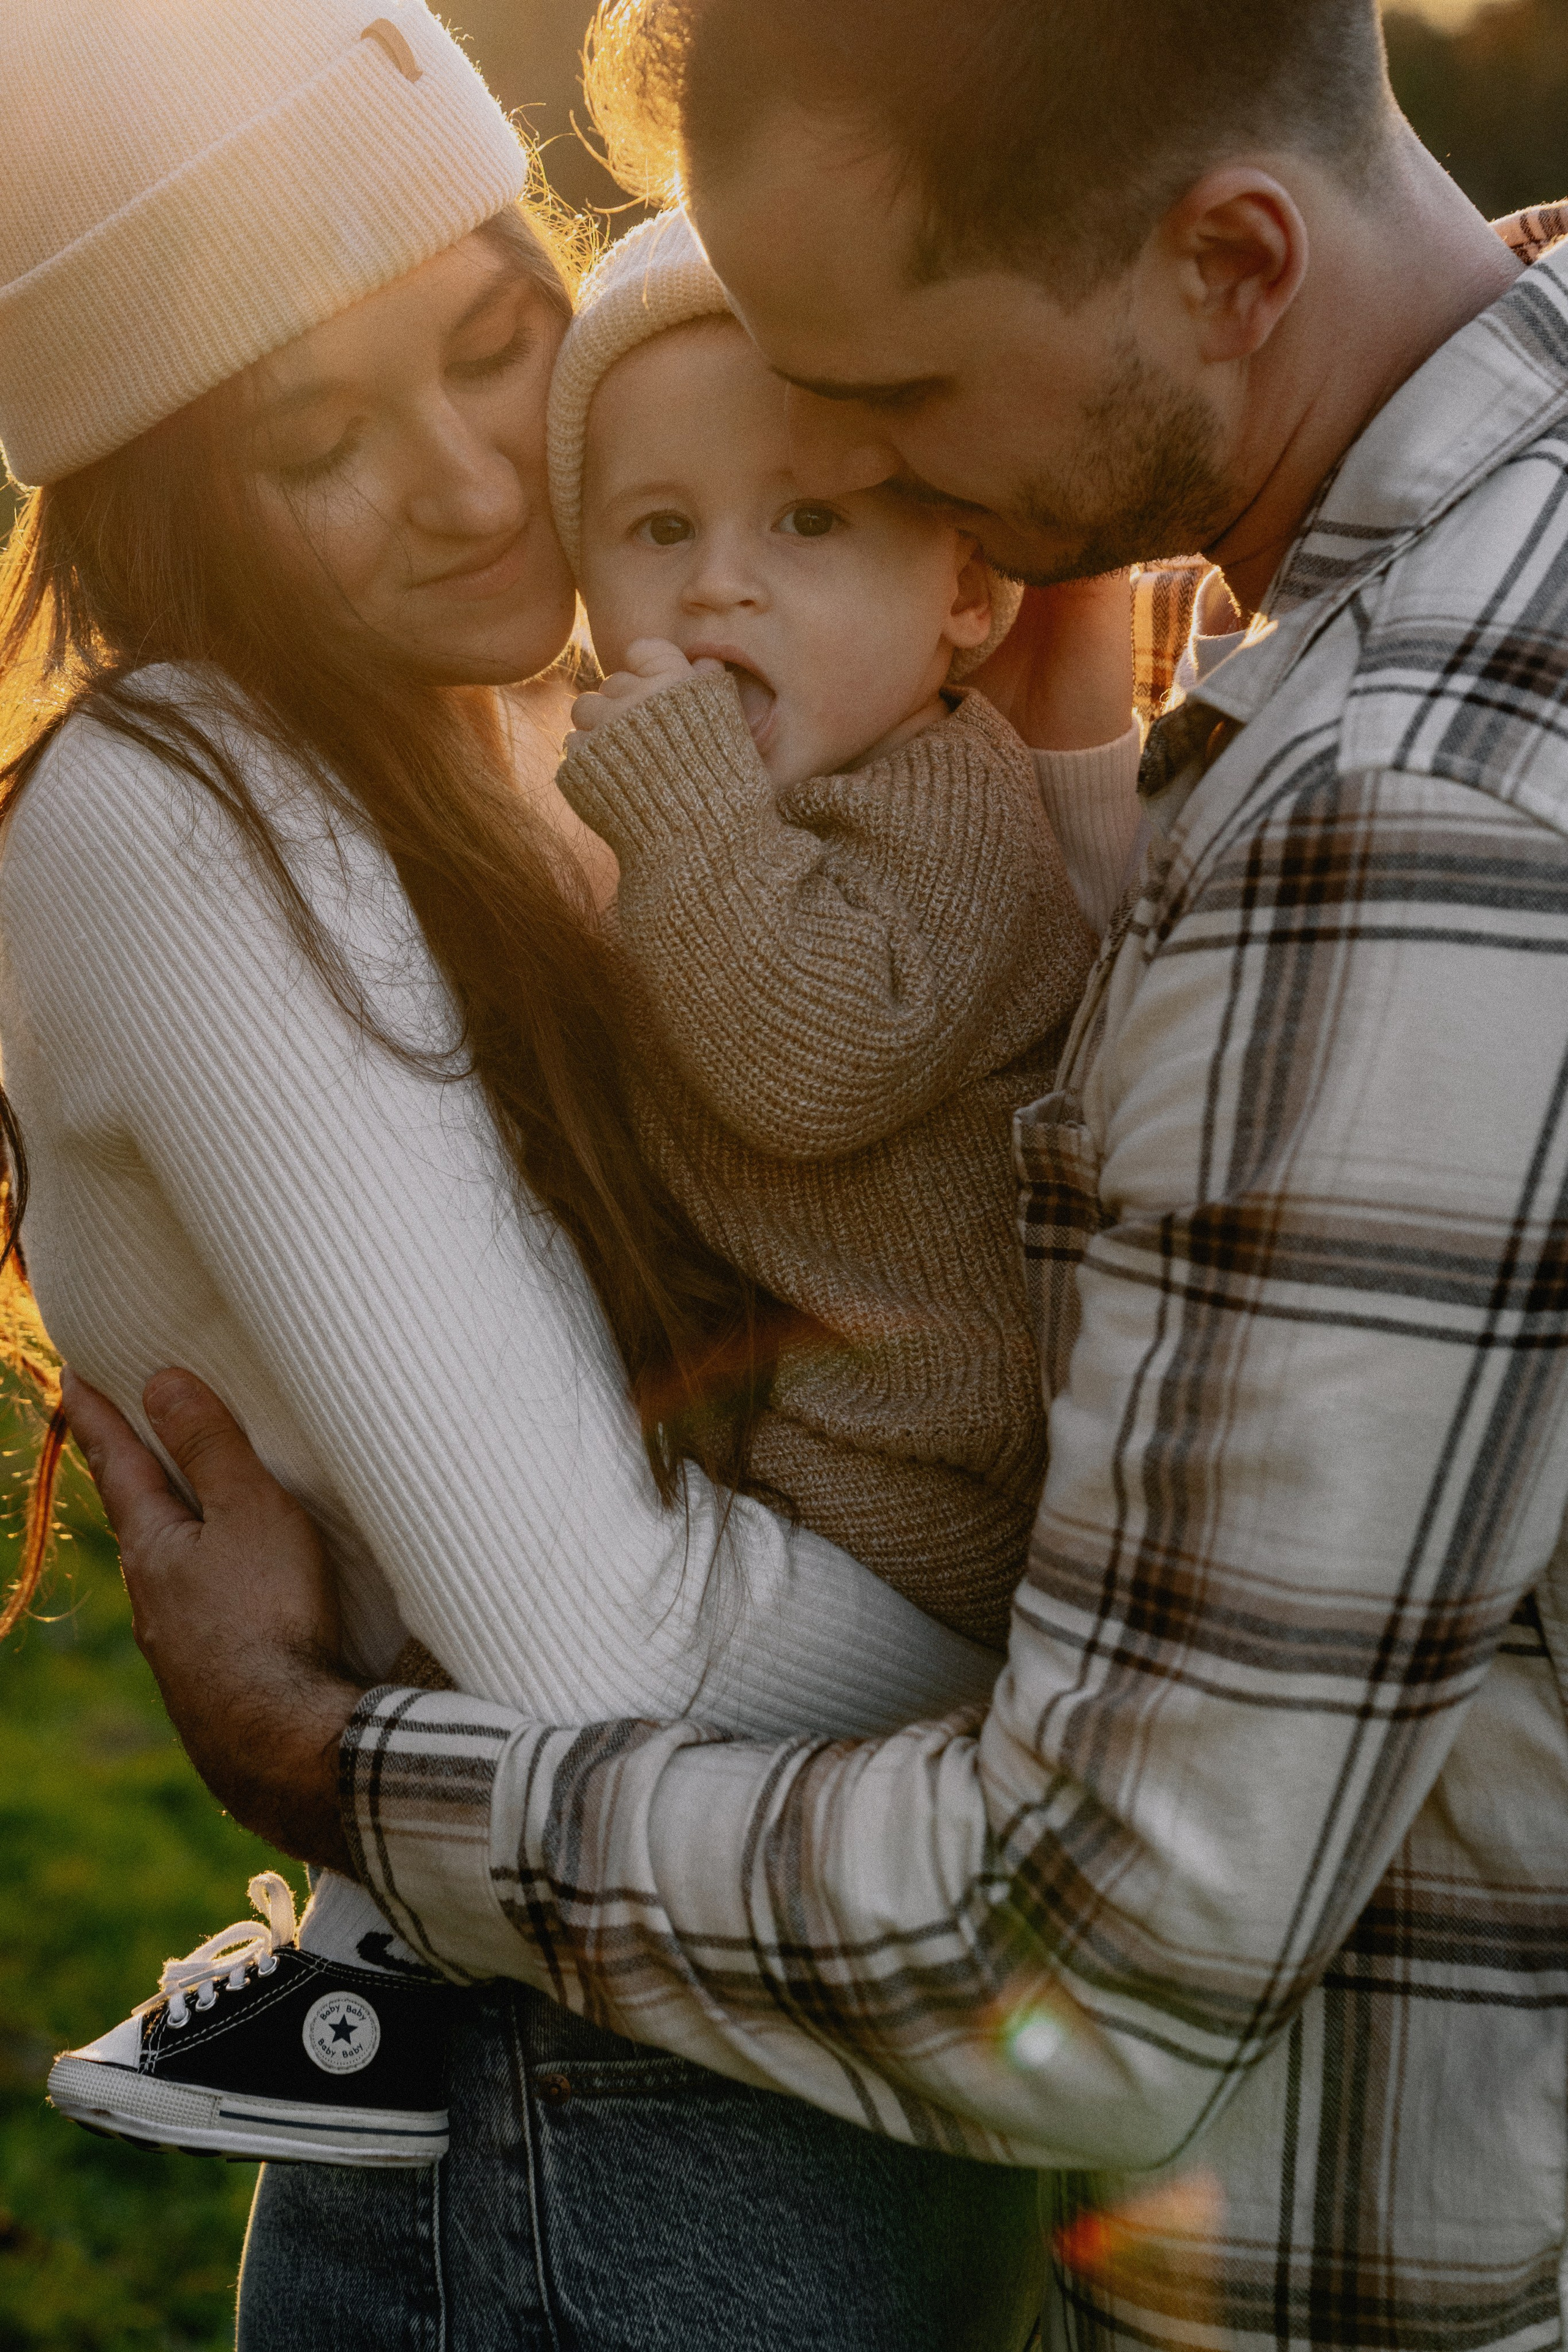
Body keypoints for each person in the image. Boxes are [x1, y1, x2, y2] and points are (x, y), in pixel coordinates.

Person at [61, 0, 1568, 2345]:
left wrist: (346, 1761)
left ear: (1233, 269)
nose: (870, 473)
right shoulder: (1401, 611)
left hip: (1122, 2152)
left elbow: (1106, 1909)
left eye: (896, 406)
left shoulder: (1398, 802)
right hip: (800, 2106)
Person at [0, 0, 1140, 2342]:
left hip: (793, 2018)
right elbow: (591, 1650)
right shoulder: (179, 805)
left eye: (492, 347)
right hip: (592, 2125)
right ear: (162, 500)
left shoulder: (534, 719)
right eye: (319, 441)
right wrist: (1123, 1754)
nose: (468, 481)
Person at [549, 208, 1140, 1645]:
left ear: (965, 593)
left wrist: (680, 802)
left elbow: (812, 1062)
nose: (716, 585)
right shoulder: (730, 821)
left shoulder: (945, 798)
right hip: (788, 1440)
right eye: (657, 528)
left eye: (807, 521)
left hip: (929, 1491)